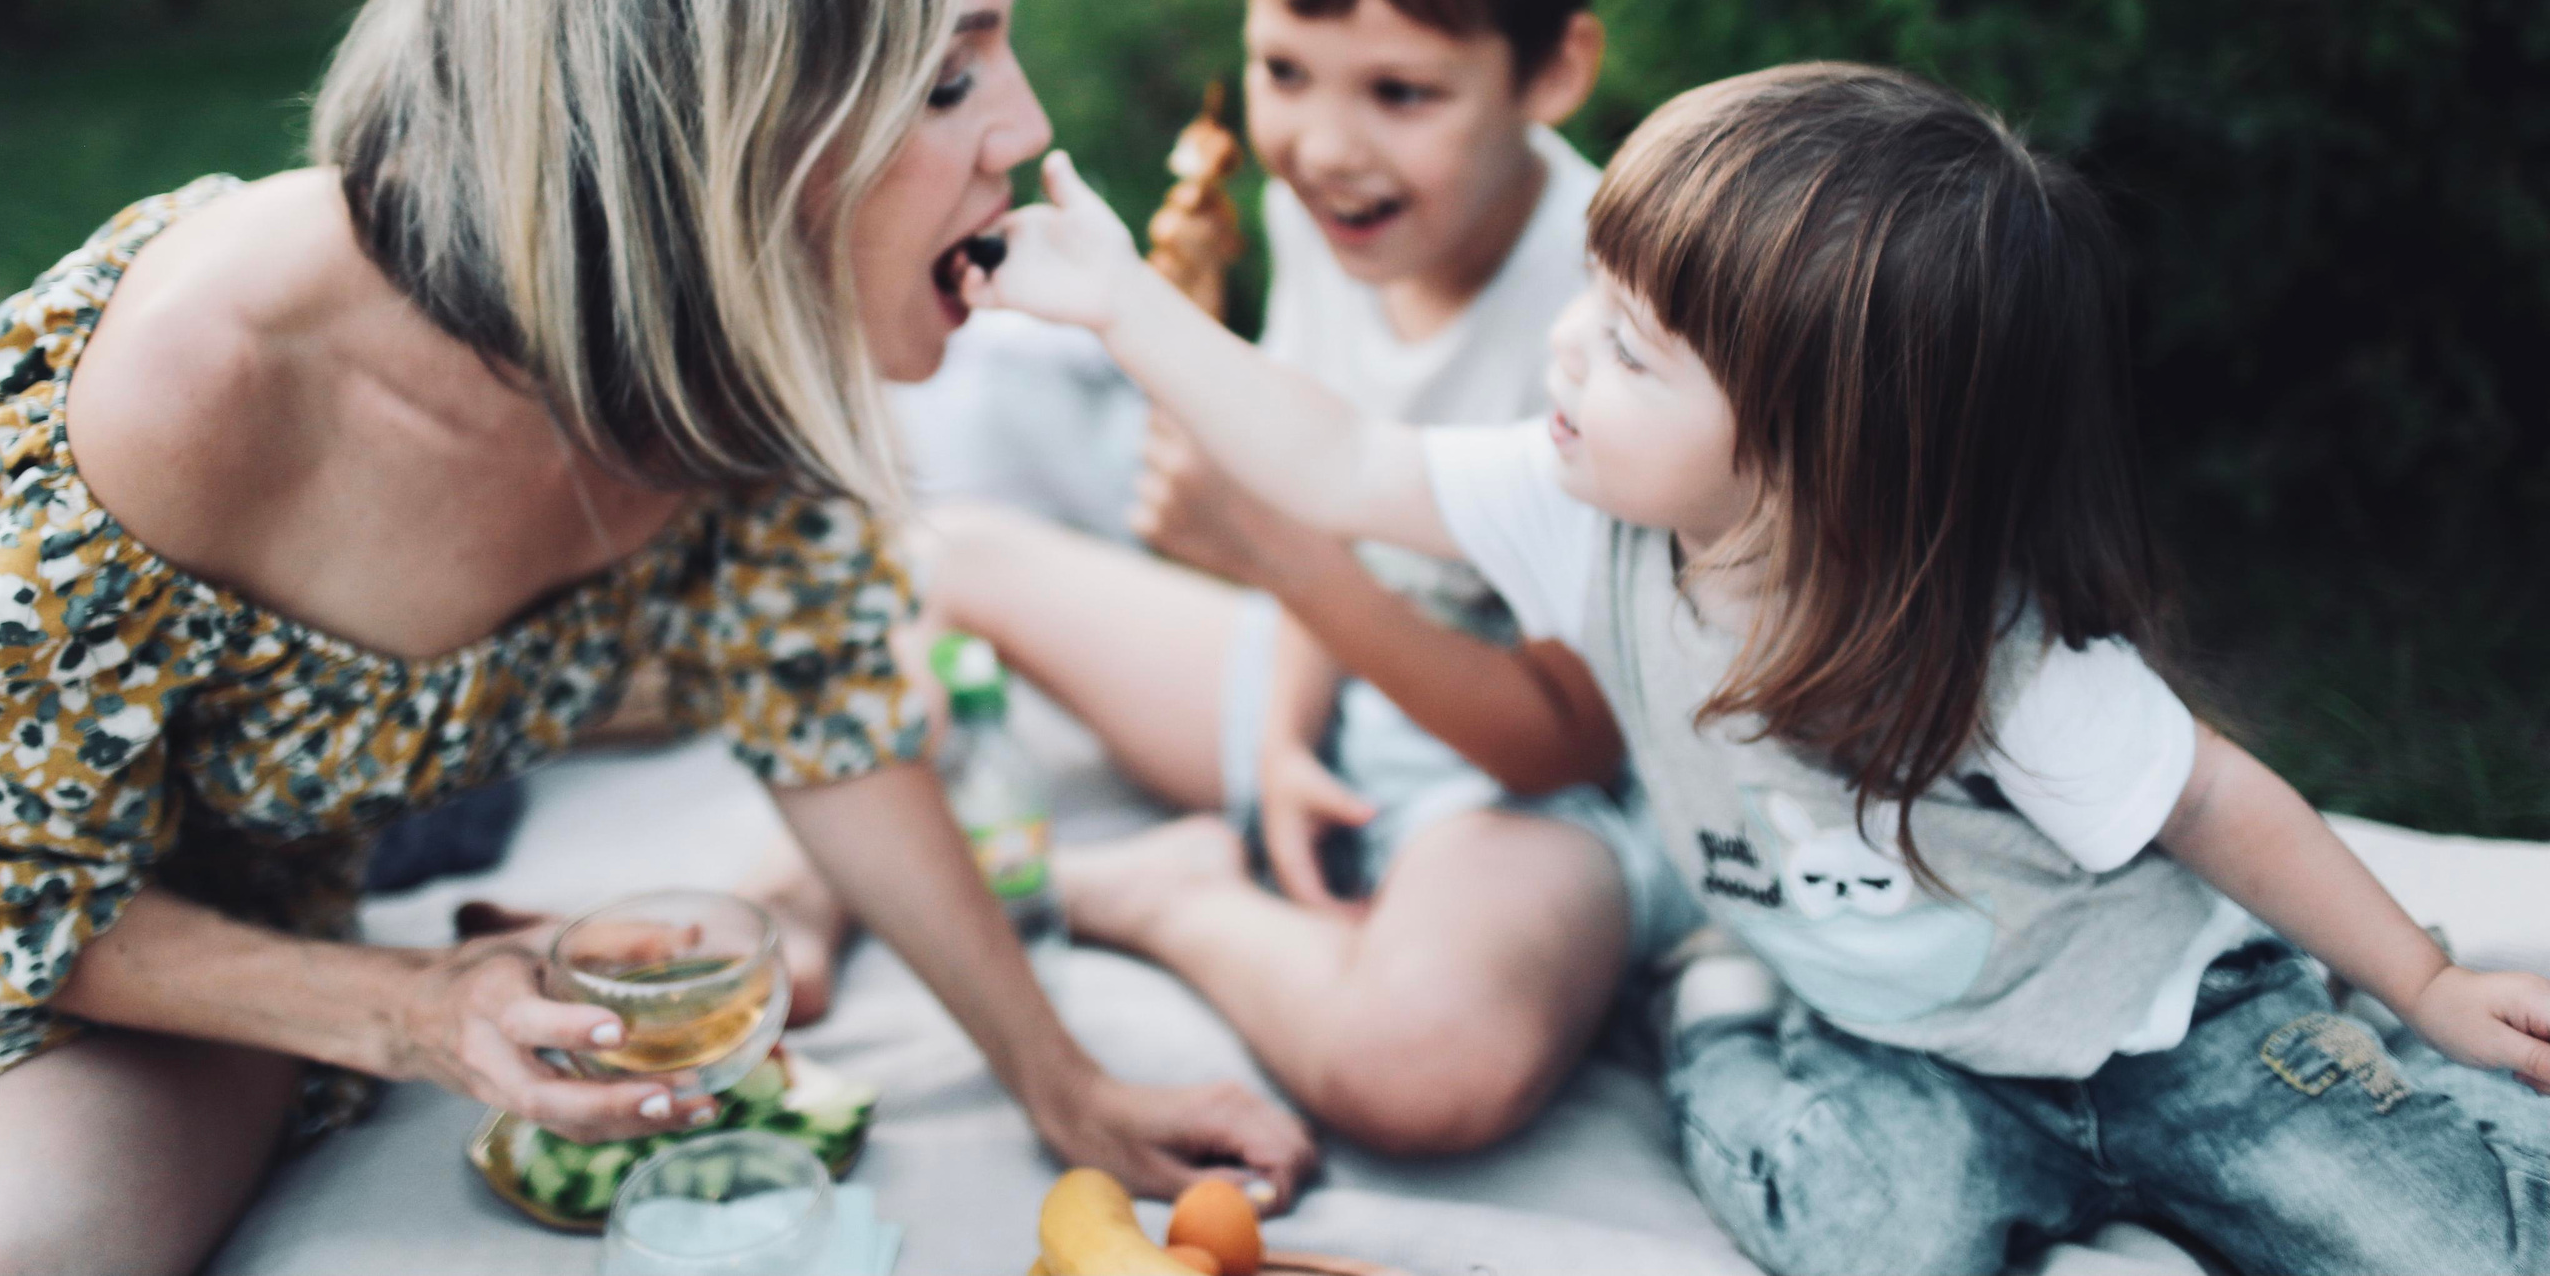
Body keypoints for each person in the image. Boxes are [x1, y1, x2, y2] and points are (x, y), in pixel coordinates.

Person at [0, 0, 1311, 1276]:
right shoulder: (199, 385)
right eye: (950, 83)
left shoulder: (719, 351)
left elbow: (832, 725)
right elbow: (16, 887)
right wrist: (407, 1010)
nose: (1026, 129)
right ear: (718, 124)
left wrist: (1065, 1082)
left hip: (229, 942)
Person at [960, 62, 2550, 1275]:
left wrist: (2422, 979)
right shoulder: (1580, 506)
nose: (1566, 352)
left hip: (2156, 1032)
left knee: (2465, 1241)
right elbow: (1333, 456)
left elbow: (2214, 800)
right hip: (1889, 1044)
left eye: (1632, 348)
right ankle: (1719, 1008)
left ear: (1811, 458)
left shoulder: (1984, 645)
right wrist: (1116, 306)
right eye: (1591, 302)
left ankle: (2353, 1045)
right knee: (1870, 1237)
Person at [769, 0, 1700, 1152]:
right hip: (1331, 683)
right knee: (937, 552)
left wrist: (1285, 564)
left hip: (1526, 788)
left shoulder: (1603, 318)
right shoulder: (1335, 214)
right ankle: (800, 886)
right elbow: (1315, 493)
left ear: (1554, 72)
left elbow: (1562, 742)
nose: (1325, 145)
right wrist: (1276, 734)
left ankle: (1166, 898)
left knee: (1426, 1069)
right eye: (1284, 68)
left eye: (1400, 92)